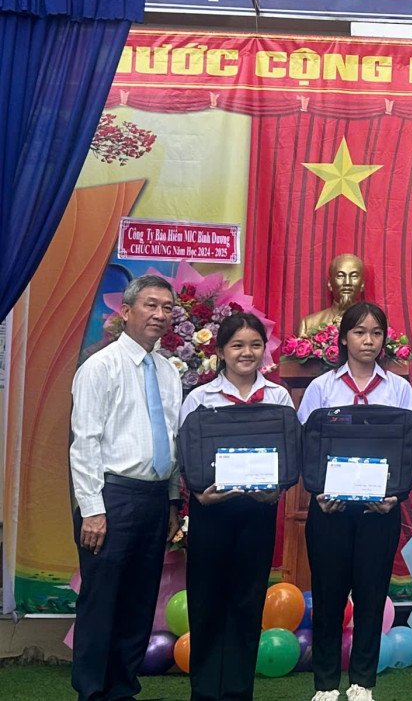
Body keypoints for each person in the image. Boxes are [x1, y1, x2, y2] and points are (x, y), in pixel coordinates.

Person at [297, 301, 412, 701]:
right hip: (329, 510)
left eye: (376, 333)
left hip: (379, 510)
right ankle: (325, 684)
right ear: (343, 338)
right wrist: (318, 493)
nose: (368, 341)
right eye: (359, 332)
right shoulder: (322, 387)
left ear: (384, 340)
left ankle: (362, 682)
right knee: (329, 598)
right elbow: (306, 446)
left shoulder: (398, 388)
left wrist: (396, 497)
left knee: (371, 596)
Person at [69, 274, 183, 701]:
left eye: (167, 308)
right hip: (111, 498)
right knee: (102, 601)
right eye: (151, 305)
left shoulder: (168, 371)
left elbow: (171, 440)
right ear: (127, 310)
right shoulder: (100, 367)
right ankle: (92, 693)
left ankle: (122, 690)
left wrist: (171, 502)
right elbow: (84, 443)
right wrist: (92, 510)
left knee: (139, 602)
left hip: (154, 499)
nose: (159, 314)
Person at [179, 312, 295, 701]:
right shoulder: (200, 398)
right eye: (238, 345)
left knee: (247, 604)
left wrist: (277, 490)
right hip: (210, 512)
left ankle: (238, 692)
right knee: (207, 603)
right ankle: (205, 693)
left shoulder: (278, 397)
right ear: (221, 351)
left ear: (264, 350)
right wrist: (198, 495)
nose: (247, 353)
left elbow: (288, 456)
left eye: (255, 345)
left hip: (258, 513)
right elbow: (185, 455)